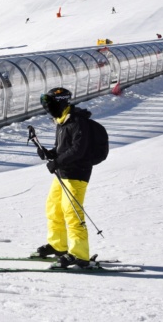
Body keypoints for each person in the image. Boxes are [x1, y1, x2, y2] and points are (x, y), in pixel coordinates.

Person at [33, 88, 97, 269]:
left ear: (61, 102)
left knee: (73, 213)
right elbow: (62, 149)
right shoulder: (62, 121)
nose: (48, 109)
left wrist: (57, 161)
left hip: (77, 174)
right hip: (63, 173)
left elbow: (79, 149)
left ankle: (80, 255)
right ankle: (58, 245)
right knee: (54, 208)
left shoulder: (78, 122)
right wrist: (49, 153)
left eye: (51, 105)